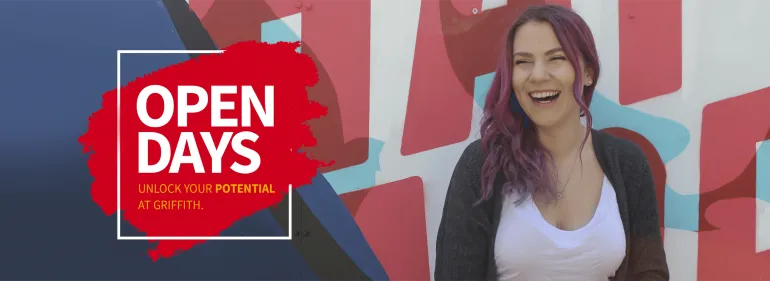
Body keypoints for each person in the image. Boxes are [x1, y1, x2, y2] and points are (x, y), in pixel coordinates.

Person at [434, 4, 669, 281]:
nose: (537, 75)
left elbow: (650, 272)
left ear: (588, 72)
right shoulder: (482, 164)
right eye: (523, 62)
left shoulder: (627, 163)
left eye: (556, 58)